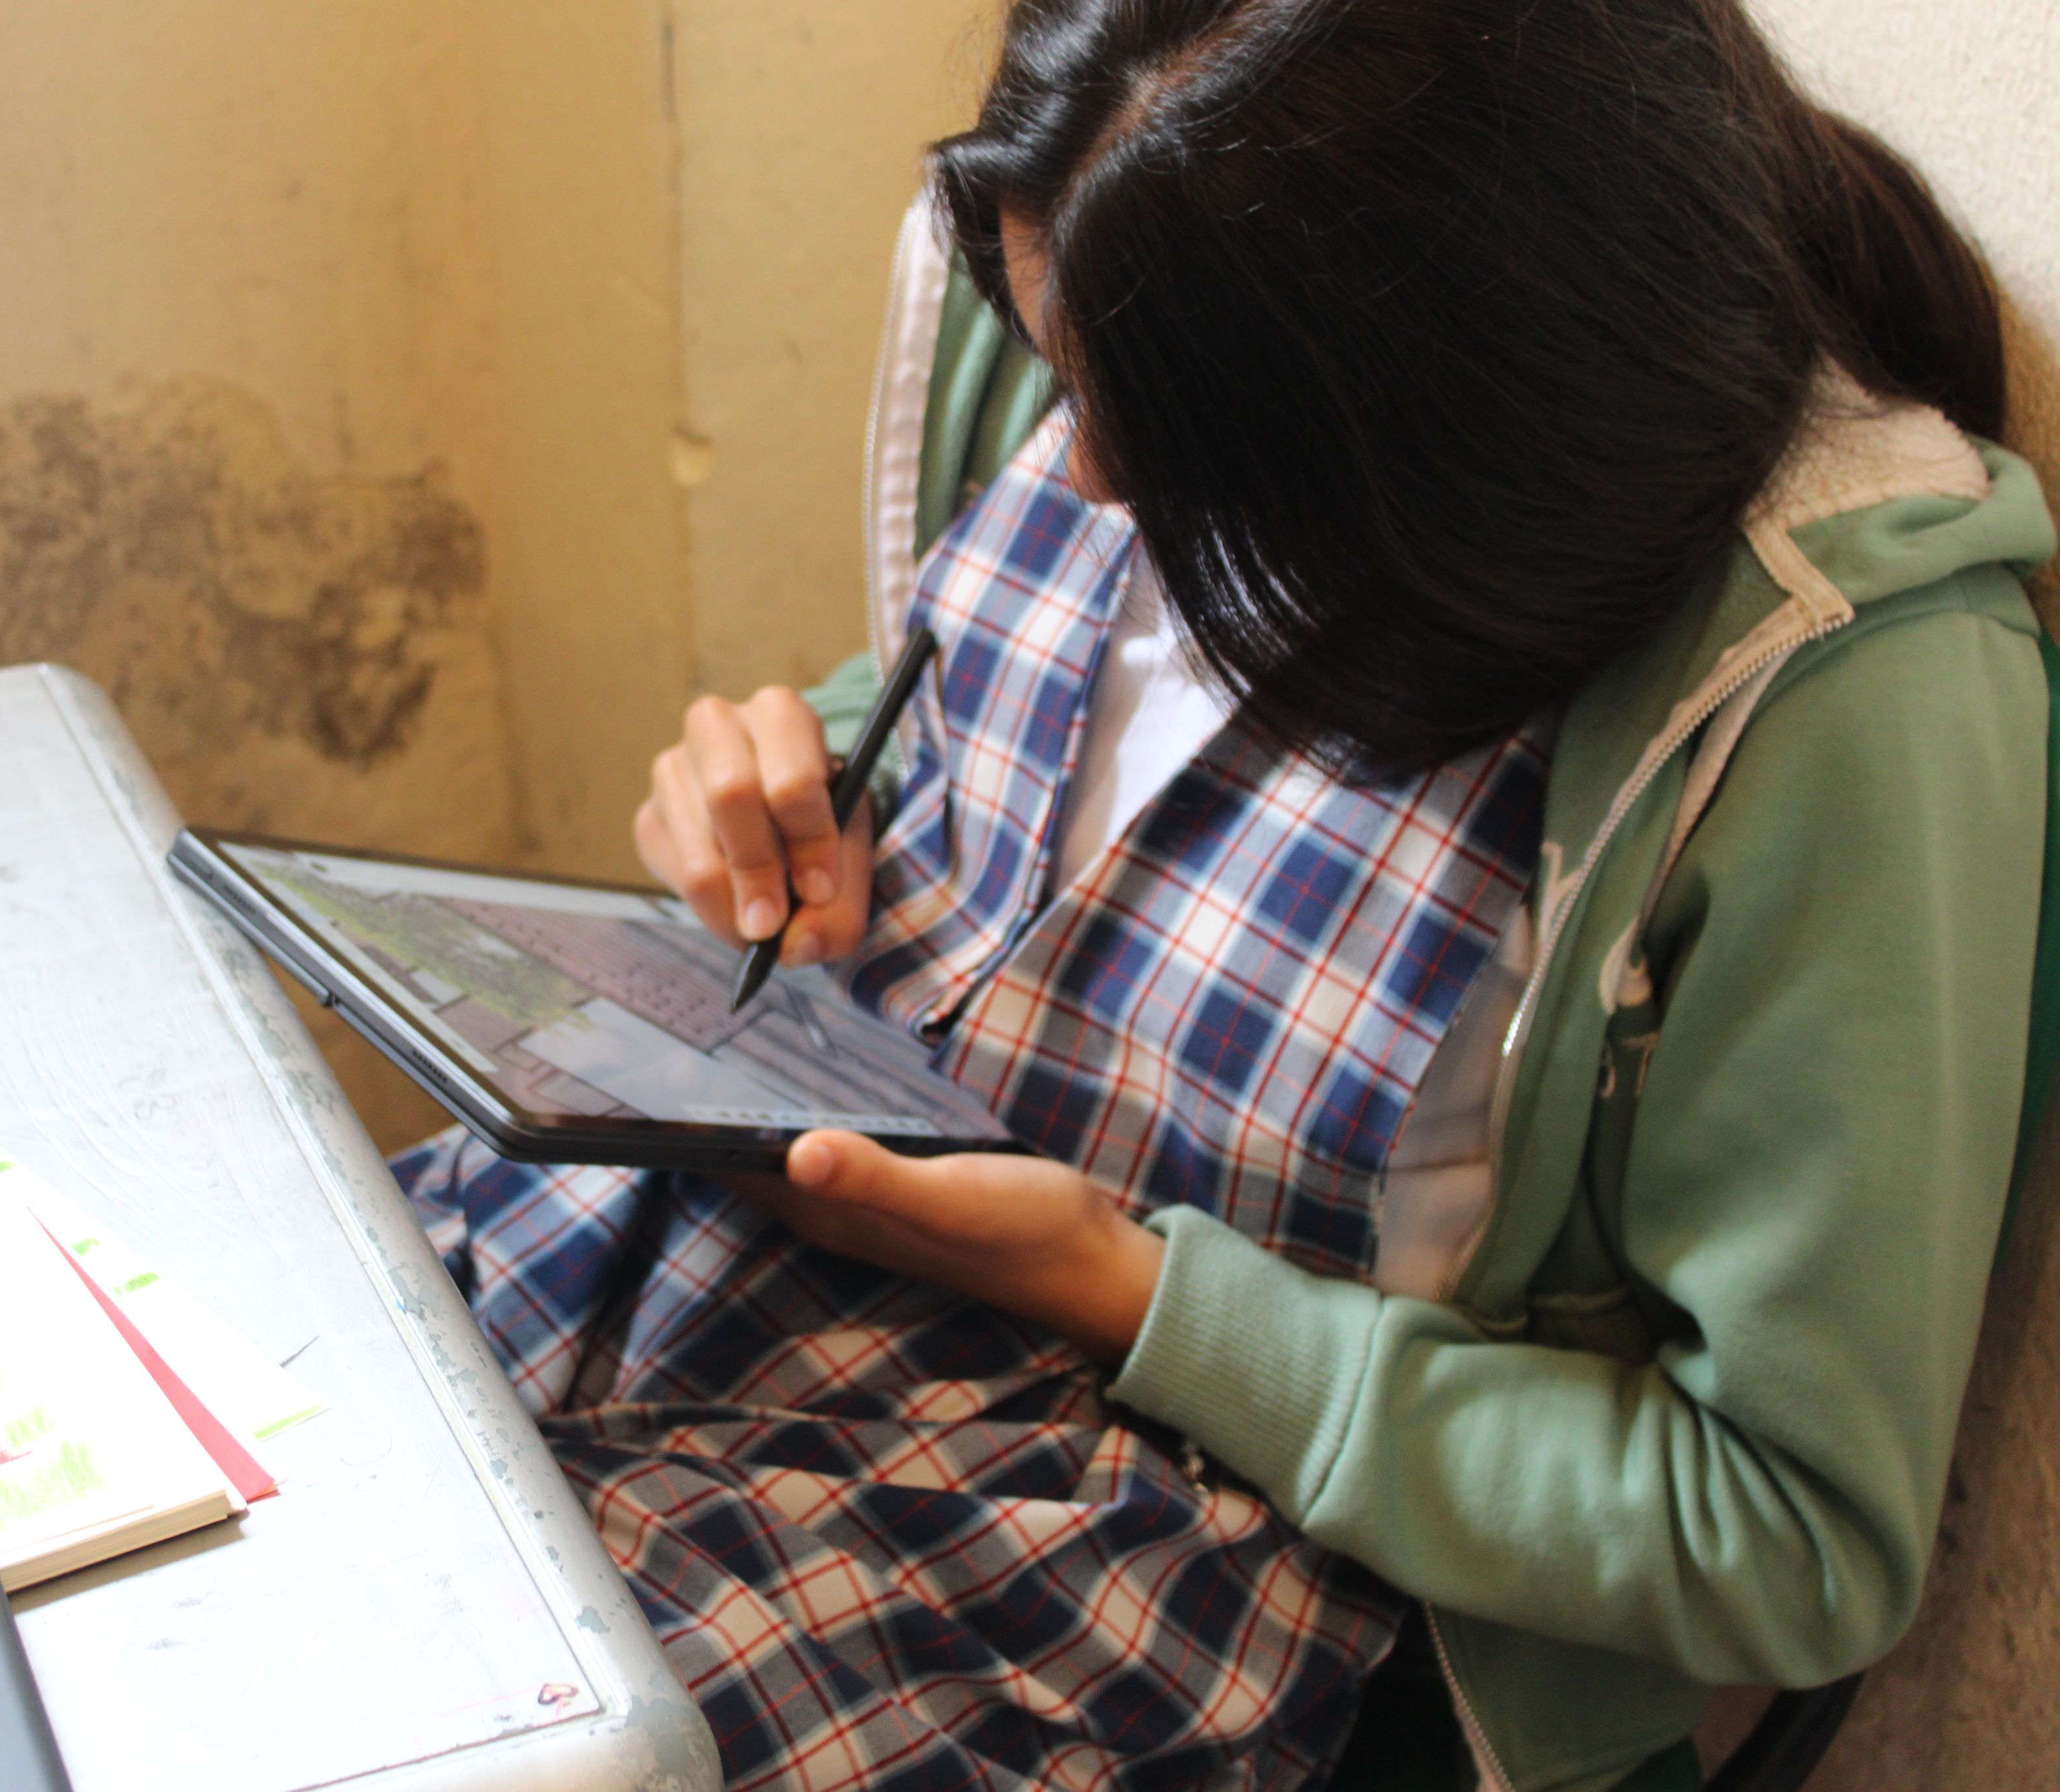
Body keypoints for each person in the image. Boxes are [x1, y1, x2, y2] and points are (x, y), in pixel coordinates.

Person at [393, 1, 2053, 1787]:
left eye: (1156, 424)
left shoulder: (1835, 691)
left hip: (1179, 1522)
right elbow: (1010, 732)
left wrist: (1131, 1291)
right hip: (754, 1257)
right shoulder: (1141, 276)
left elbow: (1787, 1537)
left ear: (1456, 392)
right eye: (1069, 381)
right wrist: (790, 785)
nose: (1090, 471)